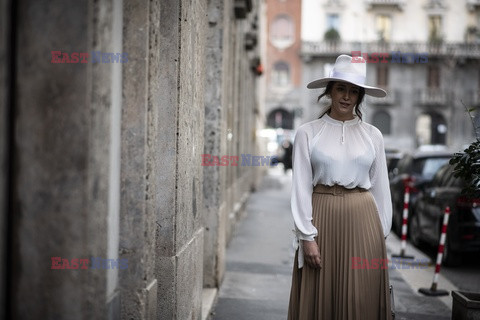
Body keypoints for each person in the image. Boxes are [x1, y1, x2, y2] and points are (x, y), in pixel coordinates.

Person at [288, 54, 393, 320]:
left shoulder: (373, 136)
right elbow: (300, 187)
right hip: (321, 219)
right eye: (341, 88)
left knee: (361, 299)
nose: (347, 96)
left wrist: (380, 235)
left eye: (354, 91)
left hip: (364, 222)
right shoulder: (307, 132)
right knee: (319, 298)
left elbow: (381, 188)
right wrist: (306, 236)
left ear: (360, 96)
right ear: (330, 91)